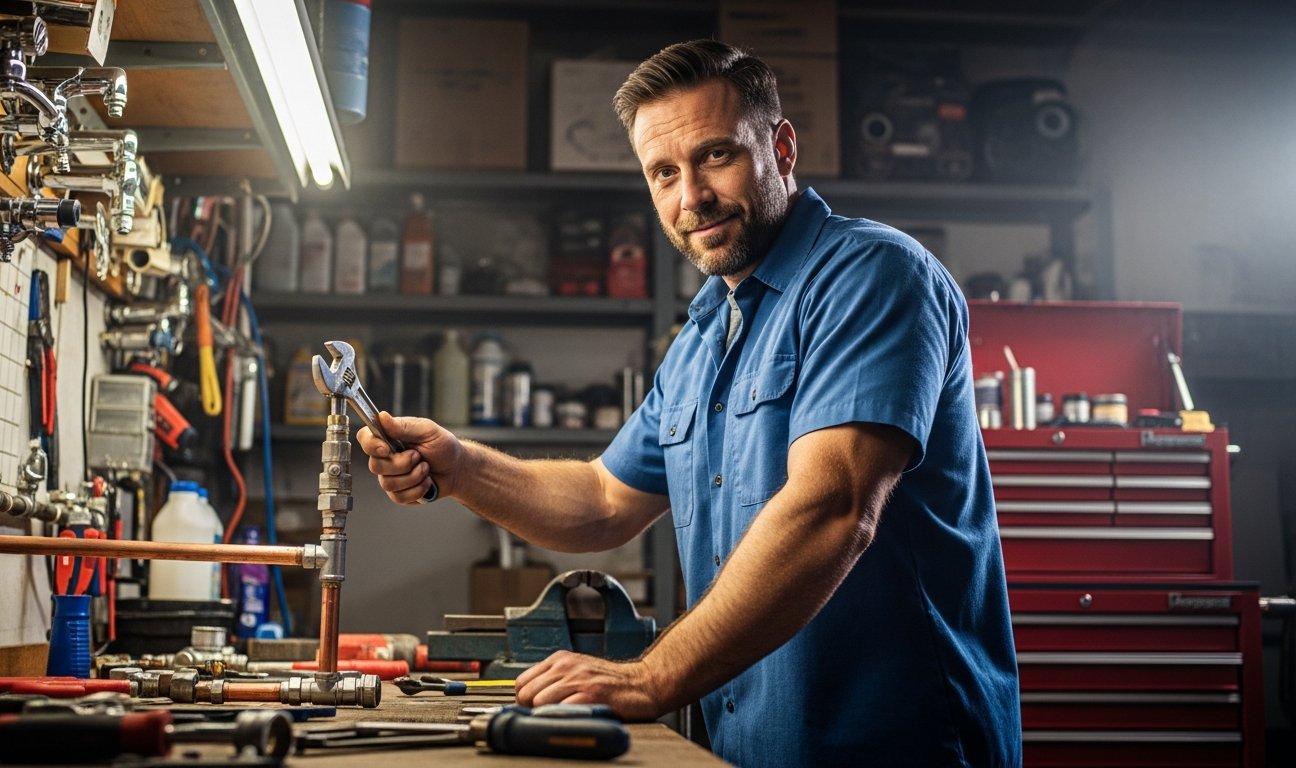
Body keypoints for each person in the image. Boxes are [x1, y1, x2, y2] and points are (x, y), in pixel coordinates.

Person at [357, 39, 1021, 767]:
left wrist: (651, 679)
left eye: (715, 157)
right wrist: (459, 467)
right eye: (663, 173)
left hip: (893, 747)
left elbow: (832, 508)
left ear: (782, 148)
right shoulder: (703, 335)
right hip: (749, 748)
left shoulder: (871, 276)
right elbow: (606, 498)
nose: (690, 197)